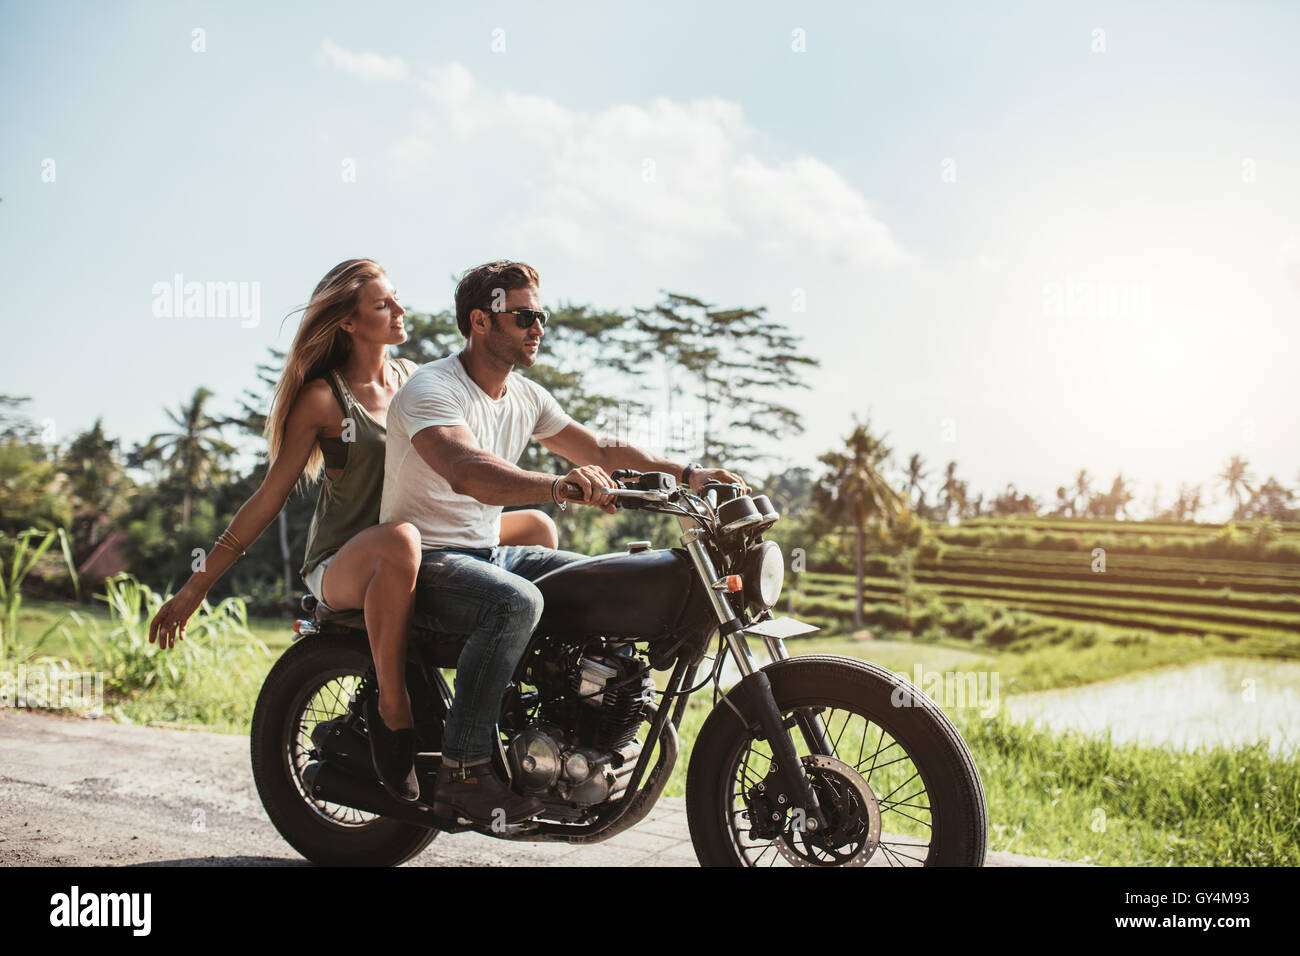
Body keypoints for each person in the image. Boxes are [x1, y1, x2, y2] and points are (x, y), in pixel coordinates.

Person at [146, 257, 557, 804]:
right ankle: (393, 707)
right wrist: (196, 585)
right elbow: (268, 499)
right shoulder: (325, 399)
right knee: (400, 540)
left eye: (396, 299)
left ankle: (493, 700)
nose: (399, 310)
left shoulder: (417, 379)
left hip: (423, 546)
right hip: (347, 559)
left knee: (538, 527)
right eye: (383, 304)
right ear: (349, 322)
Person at [381, 259, 748, 825]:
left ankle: (570, 732)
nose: (538, 327)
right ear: (480, 320)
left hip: (488, 552)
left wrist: (688, 473)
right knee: (515, 601)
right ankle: (463, 769)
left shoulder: (525, 396)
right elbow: (465, 469)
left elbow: (599, 450)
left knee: (597, 583)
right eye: (524, 315)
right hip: (426, 560)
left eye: (540, 316)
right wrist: (558, 487)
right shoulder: (433, 388)